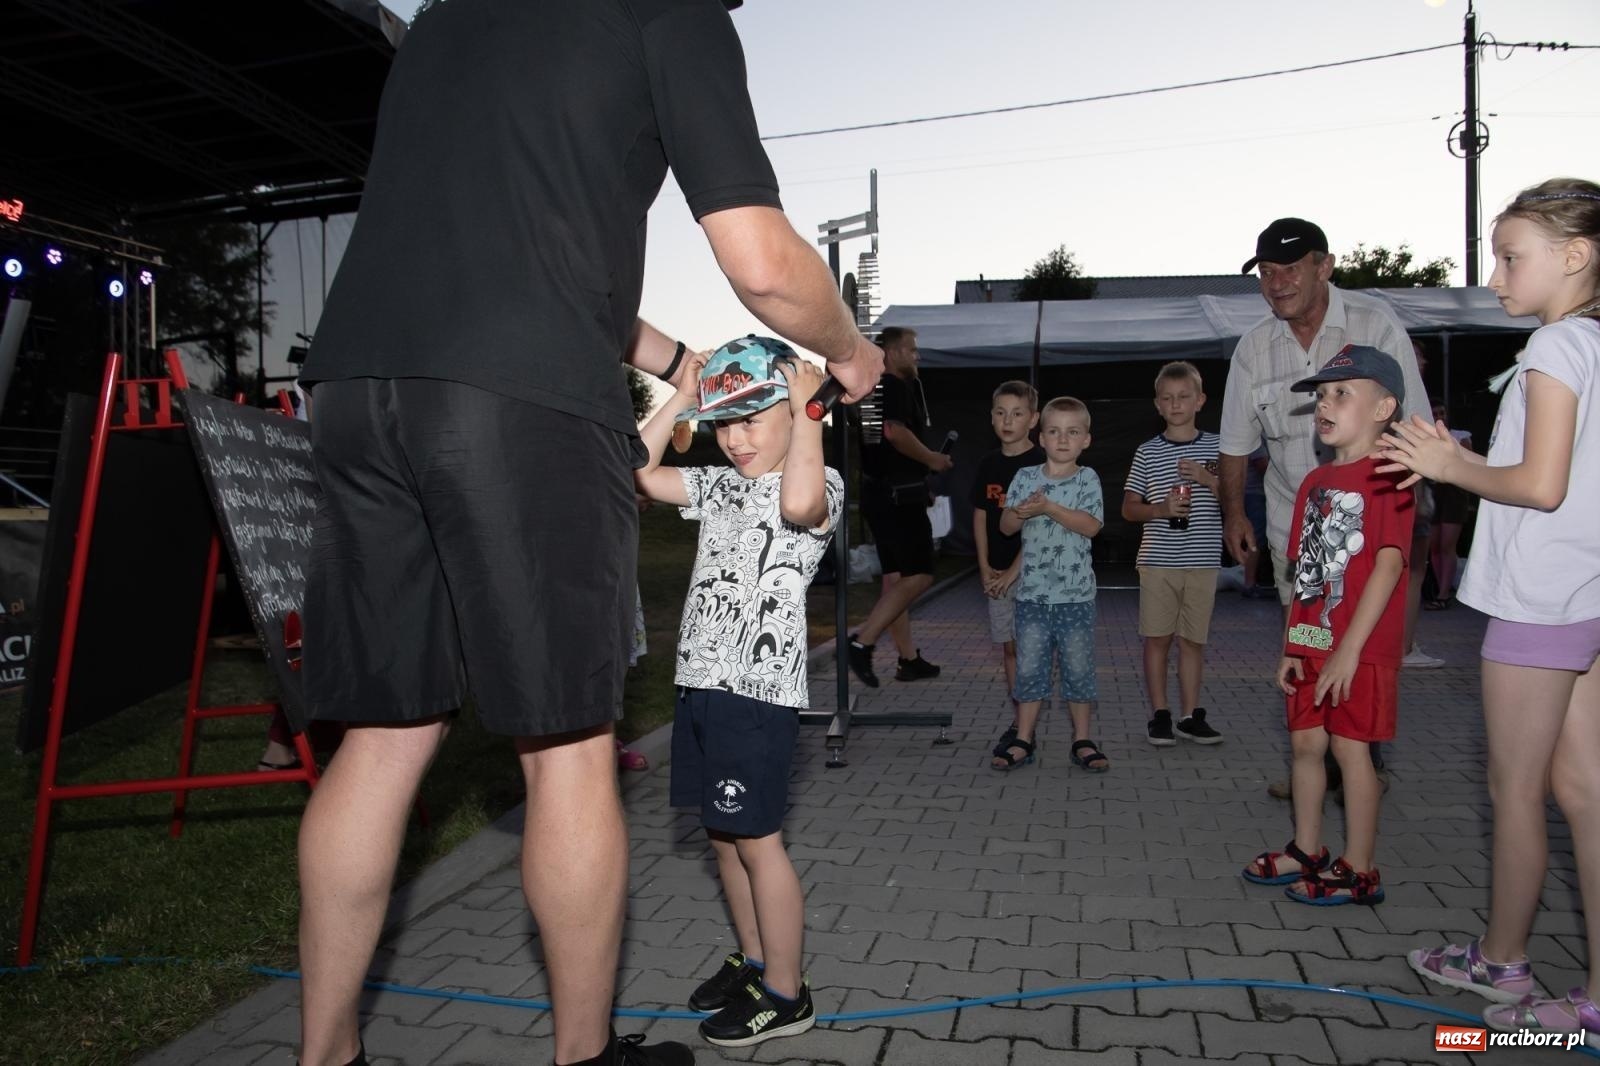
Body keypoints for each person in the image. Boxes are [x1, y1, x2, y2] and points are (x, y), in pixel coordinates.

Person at [291, 2, 883, 1064]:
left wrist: (675, 361)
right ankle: (584, 1056)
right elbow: (760, 260)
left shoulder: (445, 14)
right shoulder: (676, 12)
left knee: (381, 737)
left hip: (353, 380)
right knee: (563, 746)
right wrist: (848, 347)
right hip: (517, 397)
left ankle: (324, 1054)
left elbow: (512, 245)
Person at [1388, 179, 1600, 1037]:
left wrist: (1447, 467)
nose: (1497, 274)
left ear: (1576, 256)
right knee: (1583, 791)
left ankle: (1501, 962)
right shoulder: (1591, 345)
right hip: (1583, 592)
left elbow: (1538, 487)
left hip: (1538, 602)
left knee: (1516, 790)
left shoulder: (1555, 351)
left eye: (1512, 256)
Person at [634, 336, 839, 1049]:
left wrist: (810, 413)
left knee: (759, 840)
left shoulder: (820, 479)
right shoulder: (719, 484)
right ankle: (755, 960)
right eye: (727, 423)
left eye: (754, 418)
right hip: (699, 685)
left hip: (756, 692)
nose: (737, 438)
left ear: (794, 413)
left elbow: (802, 500)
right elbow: (632, 471)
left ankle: (787, 992)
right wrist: (686, 396)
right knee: (722, 835)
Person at [1217, 217, 1428, 800]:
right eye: (1265, 272)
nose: (1276, 281)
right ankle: (1313, 758)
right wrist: (1235, 515)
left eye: (1289, 268)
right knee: (1308, 644)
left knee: (1360, 647)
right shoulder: (1253, 349)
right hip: (1296, 529)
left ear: (1324, 266)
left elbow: (1413, 428)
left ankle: (1361, 764)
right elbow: (1235, 443)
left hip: (1370, 536)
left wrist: (1397, 520)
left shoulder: (1373, 326)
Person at [1242, 345, 1414, 906]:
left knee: (1351, 749)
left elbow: (1389, 564)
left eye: (1342, 393)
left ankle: (1360, 867)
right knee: (1306, 745)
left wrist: (1348, 651)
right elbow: (1306, 571)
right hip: (1315, 638)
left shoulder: (1392, 476)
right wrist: (1295, 642)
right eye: (1320, 396)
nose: (1325, 405)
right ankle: (1307, 849)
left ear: (1385, 406)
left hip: (1359, 648)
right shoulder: (1316, 482)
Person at [991, 397, 1107, 773]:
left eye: (1072, 432)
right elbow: (1006, 527)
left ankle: (1083, 739)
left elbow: (1091, 526)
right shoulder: (1025, 478)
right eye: (1054, 431)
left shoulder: (1088, 478)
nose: (1062, 439)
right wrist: (1020, 512)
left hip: (1075, 598)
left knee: (1078, 668)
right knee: (1029, 669)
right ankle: (1024, 737)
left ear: (1085, 440)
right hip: (1032, 598)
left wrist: (1049, 509)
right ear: (1041, 437)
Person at [1121, 361, 1225, 747]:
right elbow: (1129, 509)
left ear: (1199, 400)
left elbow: (1235, 499)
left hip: (1202, 560)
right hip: (1158, 561)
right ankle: (1160, 714)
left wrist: (1207, 479)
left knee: (1194, 641)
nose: (1176, 404)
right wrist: (1160, 510)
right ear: (1157, 405)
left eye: (1183, 397)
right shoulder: (1147, 452)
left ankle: (1190, 715)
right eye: (1167, 398)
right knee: (1157, 639)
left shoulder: (1218, 446)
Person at [847, 327, 951, 687]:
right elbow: (894, 433)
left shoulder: (872, 390)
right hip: (895, 498)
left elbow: (884, 451)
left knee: (895, 579)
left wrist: (920, 483)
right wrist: (933, 460)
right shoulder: (893, 386)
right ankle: (862, 643)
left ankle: (908, 660)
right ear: (890, 353)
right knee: (919, 575)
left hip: (886, 495)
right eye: (912, 350)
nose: (917, 357)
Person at [971, 381, 1043, 759]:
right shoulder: (988, 464)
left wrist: (1013, 571)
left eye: (1017, 413)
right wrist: (985, 568)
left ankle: (1027, 727)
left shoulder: (1041, 464)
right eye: (1000, 412)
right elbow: (981, 516)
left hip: (1032, 572)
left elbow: (1041, 529)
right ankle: (1019, 722)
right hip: (997, 573)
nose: (1007, 420)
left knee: (1031, 648)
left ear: (1033, 419)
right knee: (1010, 649)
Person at [1424, 401, 1472, 609]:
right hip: (1433, 489)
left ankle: (1444, 593)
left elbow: (1467, 462)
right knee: (1434, 545)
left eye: (1442, 412)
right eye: (1434, 412)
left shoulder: (1460, 436)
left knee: (1447, 545)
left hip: (1454, 491)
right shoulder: (1426, 437)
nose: (1438, 415)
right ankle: (1439, 591)